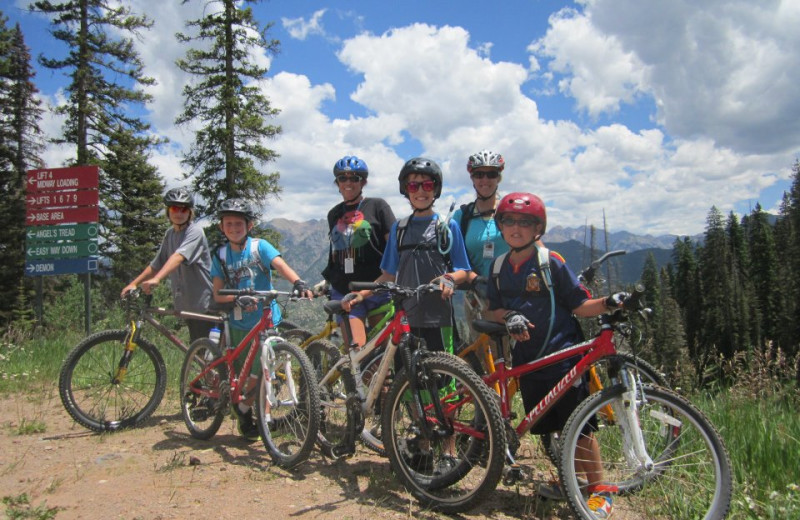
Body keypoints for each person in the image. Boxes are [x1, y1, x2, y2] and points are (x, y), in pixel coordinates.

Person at [487, 192, 627, 519]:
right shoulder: (497, 268)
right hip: (529, 362)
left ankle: (599, 489)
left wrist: (609, 302)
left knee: (578, 428)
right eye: (509, 221)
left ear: (539, 227)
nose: (516, 228)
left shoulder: (551, 262)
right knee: (549, 426)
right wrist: (509, 316)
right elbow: (492, 310)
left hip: (564, 357)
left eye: (526, 222)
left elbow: (580, 304)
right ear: (501, 226)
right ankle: (569, 481)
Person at [343, 157, 471, 357]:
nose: (421, 191)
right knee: (407, 383)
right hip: (405, 319)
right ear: (406, 190)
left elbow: (463, 270)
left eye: (427, 185)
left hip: (440, 317)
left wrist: (450, 278)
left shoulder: (446, 227)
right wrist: (362, 294)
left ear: (436, 190)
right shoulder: (399, 229)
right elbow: (388, 275)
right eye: (413, 185)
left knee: (444, 383)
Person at [210, 198, 313, 440]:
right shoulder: (221, 256)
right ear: (221, 228)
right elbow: (217, 293)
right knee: (243, 376)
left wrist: (298, 282)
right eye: (228, 224)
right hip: (238, 324)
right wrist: (236, 299)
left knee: (263, 373)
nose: (234, 228)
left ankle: (257, 415)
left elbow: (280, 265)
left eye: (239, 223)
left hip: (267, 320)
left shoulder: (260, 247)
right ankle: (245, 412)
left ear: (250, 225)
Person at [320, 155, 396, 347]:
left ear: (364, 181)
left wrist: (394, 276)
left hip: (376, 286)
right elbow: (336, 252)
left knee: (382, 352)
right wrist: (327, 280)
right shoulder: (334, 213)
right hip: (346, 289)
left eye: (355, 178)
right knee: (358, 351)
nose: (348, 182)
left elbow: (394, 246)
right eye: (342, 178)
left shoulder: (378, 206)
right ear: (337, 182)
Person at [121, 187, 214, 342]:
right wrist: (133, 284)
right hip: (187, 303)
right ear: (168, 211)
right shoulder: (170, 233)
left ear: (190, 212)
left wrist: (157, 279)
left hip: (204, 304)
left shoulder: (195, 231)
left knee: (205, 353)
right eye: (174, 208)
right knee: (198, 353)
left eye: (183, 209)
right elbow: (156, 264)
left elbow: (178, 257)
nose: (178, 213)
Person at [451, 150, 510, 341]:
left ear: (499, 177)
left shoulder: (510, 211)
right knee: (485, 357)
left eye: (491, 174)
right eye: (478, 174)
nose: (485, 179)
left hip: (511, 292)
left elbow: (533, 246)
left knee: (517, 356)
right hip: (476, 295)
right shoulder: (462, 216)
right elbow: (451, 255)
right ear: (472, 177)